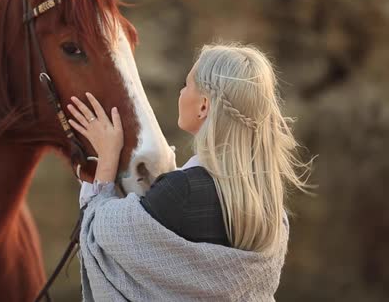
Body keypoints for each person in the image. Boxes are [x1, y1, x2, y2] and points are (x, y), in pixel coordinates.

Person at [67, 43, 313, 301]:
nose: (181, 92)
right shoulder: (272, 209)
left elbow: (100, 230)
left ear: (203, 107)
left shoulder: (180, 192)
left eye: (187, 85)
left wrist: (106, 157)